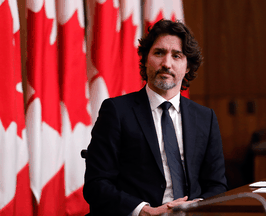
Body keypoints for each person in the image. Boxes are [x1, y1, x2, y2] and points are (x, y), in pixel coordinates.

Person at [83, 19, 227, 216]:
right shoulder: (116, 111)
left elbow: (217, 185)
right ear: (145, 59)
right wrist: (143, 211)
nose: (166, 63)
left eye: (176, 56)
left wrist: (196, 207)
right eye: (159, 53)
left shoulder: (205, 118)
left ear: (187, 67)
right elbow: (96, 184)